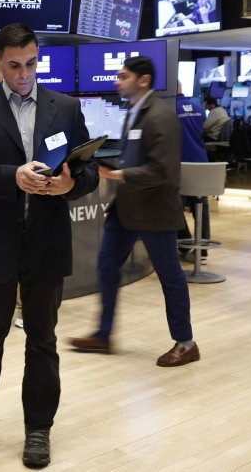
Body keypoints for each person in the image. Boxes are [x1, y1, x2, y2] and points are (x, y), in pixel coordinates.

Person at [0, 23, 99, 468]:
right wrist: (12, 177)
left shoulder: (66, 108)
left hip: (46, 243)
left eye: (31, 64)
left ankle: (39, 429)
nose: (23, 74)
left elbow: (88, 171)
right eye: (14, 65)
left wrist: (73, 182)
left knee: (42, 342)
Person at [70, 56, 200, 368]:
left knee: (170, 277)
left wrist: (115, 175)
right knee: (106, 266)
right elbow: (135, 161)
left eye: (123, 76)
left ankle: (186, 342)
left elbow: (163, 171)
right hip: (126, 210)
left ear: (142, 80)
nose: (117, 81)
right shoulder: (135, 111)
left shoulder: (161, 116)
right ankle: (103, 334)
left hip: (155, 210)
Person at [177, 92, 210, 264]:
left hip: (180, 164)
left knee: (176, 208)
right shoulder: (198, 107)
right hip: (200, 162)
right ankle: (203, 252)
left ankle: (184, 245)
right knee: (201, 209)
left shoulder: (170, 108)